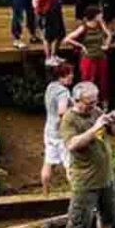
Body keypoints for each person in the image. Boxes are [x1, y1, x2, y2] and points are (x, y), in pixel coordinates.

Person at [60, 81, 115, 228]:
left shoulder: (96, 111)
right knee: (77, 222)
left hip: (106, 178)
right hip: (86, 181)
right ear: (77, 100)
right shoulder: (69, 119)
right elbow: (72, 144)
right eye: (90, 103)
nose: (94, 106)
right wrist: (95, 128)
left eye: (96, 101)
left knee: (108, 216)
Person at [63, 6, 113, 110]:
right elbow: (67, 39)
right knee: (88, 81)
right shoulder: (84, 27)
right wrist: (81, 46)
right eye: (100, 14)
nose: (101, 16)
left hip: (101, 57)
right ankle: (86, 105)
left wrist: (107, 45)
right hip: (88, 58)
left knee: (103, 83)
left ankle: (103, 107)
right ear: (94, 16)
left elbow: (109, 34)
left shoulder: (100, 24)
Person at [41, 63, 74, 195]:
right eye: (71, 73)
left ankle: (45, 193)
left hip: (49, 130)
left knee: (48, 162)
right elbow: (62, 111)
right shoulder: (63, 92)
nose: (73, 76)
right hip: (60, 133)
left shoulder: (50, 87)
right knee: (70, 165)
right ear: (64, 75)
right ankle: (75, 194)